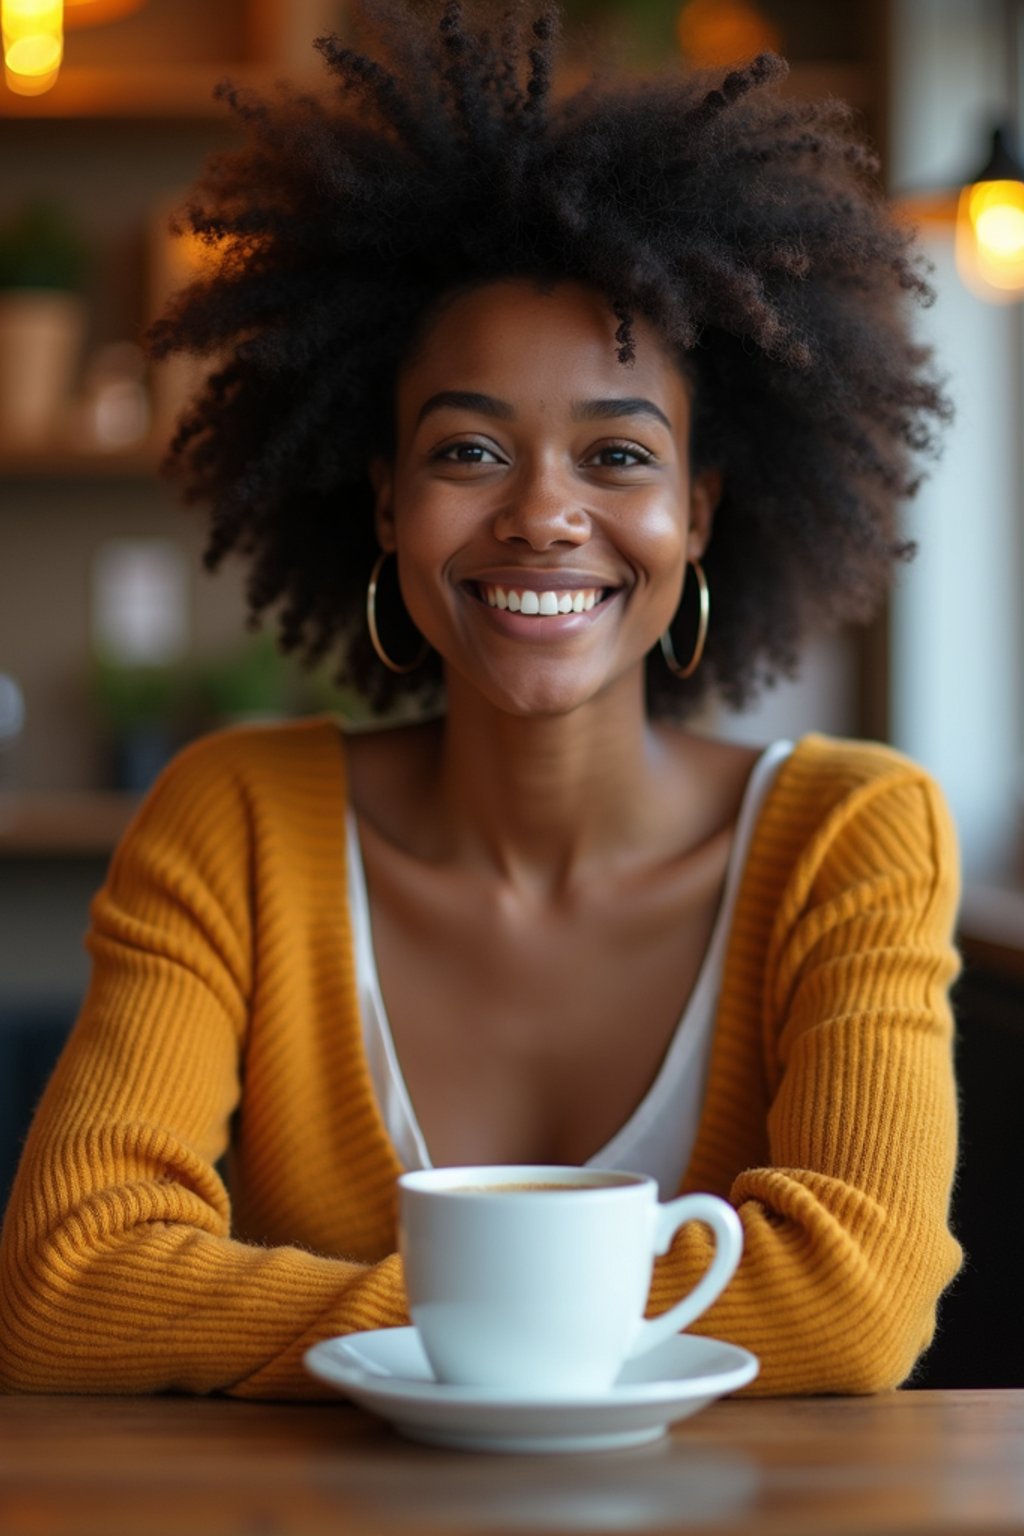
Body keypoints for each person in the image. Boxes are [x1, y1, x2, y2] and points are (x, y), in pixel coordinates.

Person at [0, 0, 960, 1400]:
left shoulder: (853, 836)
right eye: (468, 450)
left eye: (617, 457)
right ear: (386, 502)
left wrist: (411, 1342)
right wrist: (549, 1330)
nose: (545, 517)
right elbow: (69, 1289)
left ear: (698, 512)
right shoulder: (235, 825)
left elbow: (857, 1306)